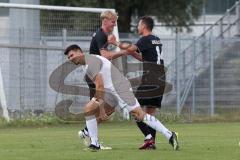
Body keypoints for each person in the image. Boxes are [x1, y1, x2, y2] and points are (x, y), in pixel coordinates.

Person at [64, 44, 179, 151]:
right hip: (111, 91)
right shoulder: (86, 64)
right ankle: (94, 142)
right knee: (91, 110)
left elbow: (100, 86)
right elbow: (101, 86)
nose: (70, 58)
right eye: (68, 57)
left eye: (72, 55)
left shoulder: (91, 62)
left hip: (120, 88)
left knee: (139, 114)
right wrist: (104, 108)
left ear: (79, 52)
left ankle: (169, 134)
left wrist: (101, 108)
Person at [108, 16, 169, 149]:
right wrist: (133, 54)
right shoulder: (156, 40)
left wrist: (115, 43)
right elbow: (145, 58)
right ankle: (151, 144)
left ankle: (148, 138)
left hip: (150, 78)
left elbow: (130, 48)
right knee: (150, 112)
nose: (137, 27)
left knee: (134, 108)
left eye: (139, 25)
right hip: (161, 78)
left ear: (144, 26)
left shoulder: (145, 39)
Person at [78, 10, 128, 149]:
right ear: (105, 20)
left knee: (109, 107)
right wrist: (122, 52)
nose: (115, 25)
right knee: (101, 108)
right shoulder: (101, 35)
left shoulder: (102, 35)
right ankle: (93, 140)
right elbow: (105, 55)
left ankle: (89, 134)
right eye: (113, 22)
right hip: (95, 76)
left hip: (96, 75)